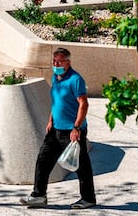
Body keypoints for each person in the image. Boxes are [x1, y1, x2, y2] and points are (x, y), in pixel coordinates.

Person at [20, 47, 96, 210]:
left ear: (68, 63)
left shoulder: (76, 79)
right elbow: (56, 102)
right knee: (43, 160)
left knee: (81, 166)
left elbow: (84, 103)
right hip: (55, 129)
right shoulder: (56, 77)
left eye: (59, 62)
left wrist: (77, 128)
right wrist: (50, 120)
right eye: (54, 61)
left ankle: (88, 198)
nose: (56, 64)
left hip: (73, 131)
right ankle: (39, 196)